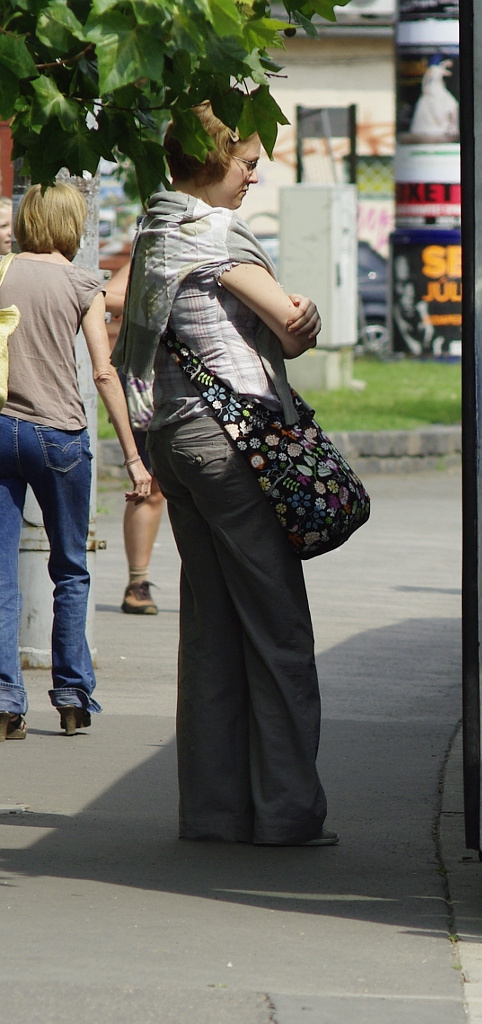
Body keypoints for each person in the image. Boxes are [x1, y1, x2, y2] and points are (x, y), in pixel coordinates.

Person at [112, 102, 338, 846]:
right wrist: (303, 317)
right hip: (235, 441)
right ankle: (287, 813)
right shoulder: (212, 231)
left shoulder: (154, 229)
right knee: (277, 632)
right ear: (214, 164)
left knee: (209, 631)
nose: (255, 172)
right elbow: (289, 324)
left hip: (176, 438)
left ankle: (212, 811)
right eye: (246, 162)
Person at [0, 182, 152, 741]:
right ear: (72, 225)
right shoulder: (82, 281)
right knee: (69, 567)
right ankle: (70, 696)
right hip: (59, 436)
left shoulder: (0, 270)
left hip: (0, 430)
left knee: (0, 576)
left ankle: (3, 702)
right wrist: (133, 456)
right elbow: (103, 371)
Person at [105, 259, 166, 615]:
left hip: (209, 385)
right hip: (150, 385)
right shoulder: (153, 247)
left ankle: (218, 587)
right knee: (151, 488)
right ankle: (137, 582)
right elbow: (106, 295)